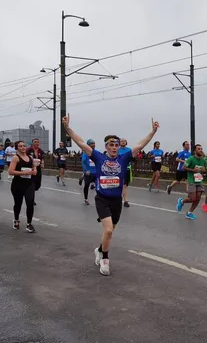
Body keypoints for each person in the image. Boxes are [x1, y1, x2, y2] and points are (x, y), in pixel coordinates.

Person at [62, 115, 159, 276]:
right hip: (102, 199)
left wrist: (153, 131)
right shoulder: (98, 156)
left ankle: (99, 250)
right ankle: (105, 260)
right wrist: (67, 128)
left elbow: (141, 144)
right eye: (111, 145)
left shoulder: (124, 157)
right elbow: (80, 142)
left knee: (110, 231)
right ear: (106, 147)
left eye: (116, 145)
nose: (114, 147)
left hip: (116, 201)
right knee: (108, 231)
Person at [8, 141, 38, 233]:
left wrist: (34, 170)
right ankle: (16, 220)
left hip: (29, 184)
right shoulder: (15, 158)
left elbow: (34, 169)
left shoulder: (30, 157)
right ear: (17, 148)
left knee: (30, 203)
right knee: (18, 204)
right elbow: (11, 171)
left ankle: (29, 224)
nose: (23, 147)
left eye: (24, 146)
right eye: (20, 146)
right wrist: (25, 172)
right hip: (17, 185)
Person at [176, 144, 207, 220]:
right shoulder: (191, 159)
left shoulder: (203, 160)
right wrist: (193, 170)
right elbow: (183, 168)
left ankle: (189, 213)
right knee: (193, 198)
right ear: (195, 151)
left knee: (198, 198)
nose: (200, 150)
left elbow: (206, 169)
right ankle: (182, 201)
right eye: (198, 149)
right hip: (191, 180)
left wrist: (204, 170)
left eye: (201, 148)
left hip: (199, 180)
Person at [27, 138, 46, 205]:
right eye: (35, 142)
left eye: (38, 142)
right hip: (31, 169)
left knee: (38, 185)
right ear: (32, 143)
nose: (37, 143)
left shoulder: (40, 150)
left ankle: (30, 192)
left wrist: (42, 163)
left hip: (38, 169)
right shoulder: (28, 150)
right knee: (32, 185)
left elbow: (42, 157)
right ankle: (31, 199)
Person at [81, 139, 97, 205]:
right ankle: (86, 199)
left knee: (99, 187)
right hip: (89, 173)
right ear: (88, 145)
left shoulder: (96, 152)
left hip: (96, 173)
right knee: (86, 186)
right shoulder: (85, 153)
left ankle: (100, 200)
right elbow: (83, 162)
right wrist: (85, 170)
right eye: (91, 143)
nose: (93, 145)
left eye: (94, 143)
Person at [118, 138, 132, 207]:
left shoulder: (129, 149)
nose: (123, 142)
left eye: (124, 141)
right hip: (120, 169)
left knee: (126, 184)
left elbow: (132, 157)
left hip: (128, 168)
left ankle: (119, 196)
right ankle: (125, 200)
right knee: (124, 185)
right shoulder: (117, 149)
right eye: (121, 141)